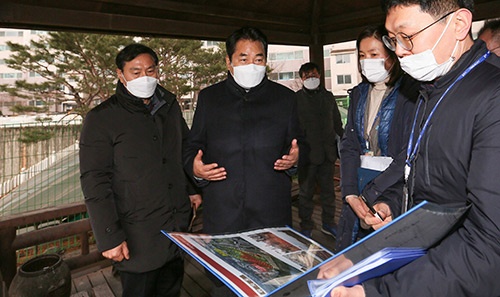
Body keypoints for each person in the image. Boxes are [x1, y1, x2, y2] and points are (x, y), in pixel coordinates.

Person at [319, 0, 500, 296]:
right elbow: (422, 176)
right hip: (425, 266)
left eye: (407, 37)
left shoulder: (492, 96)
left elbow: (490, 244)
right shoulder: (429, 88)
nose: (399, 50)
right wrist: (390, 205)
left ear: (458, 24)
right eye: (393, 39)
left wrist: (378, 292)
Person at [183, 26, 301, 296]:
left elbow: (298, 144)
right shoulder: (210, 98)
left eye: (258, 59)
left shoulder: (285, 98)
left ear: (266, 61)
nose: (252, 64)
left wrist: (296, 158)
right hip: (224, 214)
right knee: (223, 286)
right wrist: (195, 168)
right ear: (229, 61)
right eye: (244, 58)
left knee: (275, 281)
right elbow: (192, 146)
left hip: (271, 213)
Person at [79, 43, 201, 297]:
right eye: (136, 72)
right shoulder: (101, 118)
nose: (145, 77)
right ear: (120, 75)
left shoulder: (168, 106)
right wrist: (109, 236)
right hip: (136, 233)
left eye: (150, 70)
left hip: (176, 224)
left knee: (171, 289)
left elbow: (182, 150)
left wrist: (192, 189)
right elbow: (94, 181)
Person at [335, 25, 418, 253]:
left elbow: (408, 153)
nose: (366, 61)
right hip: (359, 183)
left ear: (392, 54)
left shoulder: (410, 94)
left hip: (391, 185)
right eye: (362, 55)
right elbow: (350, 144)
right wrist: (351, 192)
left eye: (374, 54)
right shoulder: (360, 93)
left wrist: (371, 193)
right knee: (351, 252)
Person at [295, 62, 344, 239]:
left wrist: (344, 141)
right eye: (307, 76)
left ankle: (328, 223)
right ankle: (306, 225)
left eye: (314, 75)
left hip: (327, 154)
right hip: (306, 156)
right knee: (305, 193)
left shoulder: (329, 97)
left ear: (320, 76)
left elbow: (337, 123)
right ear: (301, 79)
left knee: (328, 192)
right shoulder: (296, 99)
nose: (311, 79)